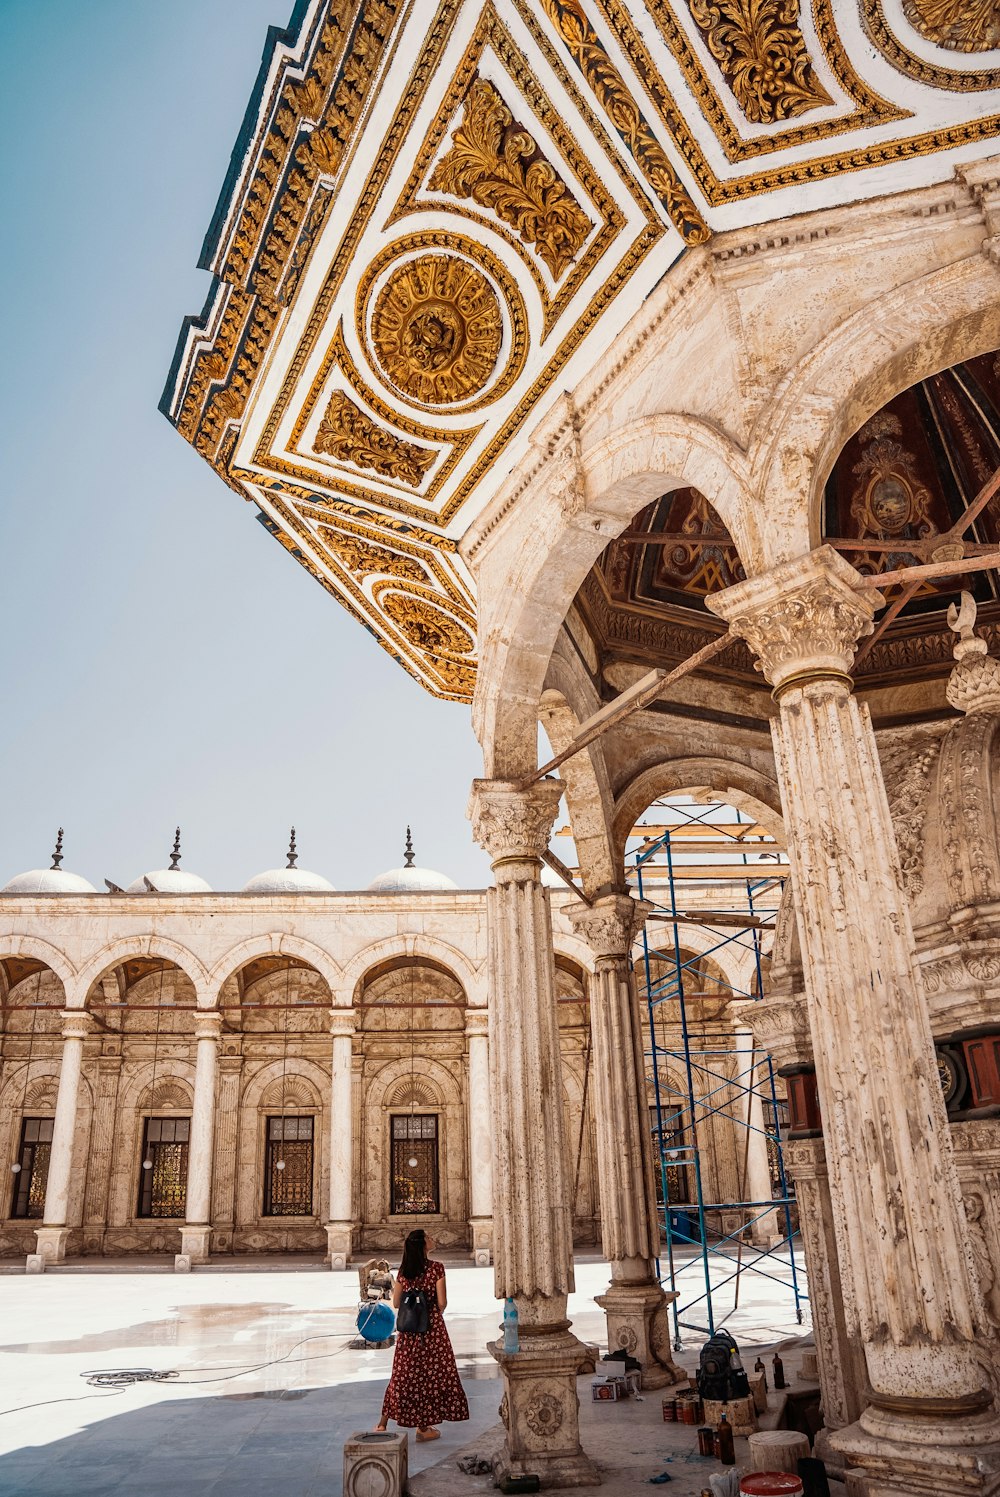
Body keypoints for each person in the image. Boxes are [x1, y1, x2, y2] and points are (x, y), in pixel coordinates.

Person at [376, 1229, 469, 1442]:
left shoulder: (404, 1271)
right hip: (432, 1330)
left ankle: (383, 1423)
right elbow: (442, 1302)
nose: (433, 1238)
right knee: (431, 1376)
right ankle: (423, 1427)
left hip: (409, 1333)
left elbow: (397, 1303)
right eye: (428, 1237)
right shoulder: (436, 1269)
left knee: (403, 1375)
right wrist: (431, 1312)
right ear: (423, 1244)